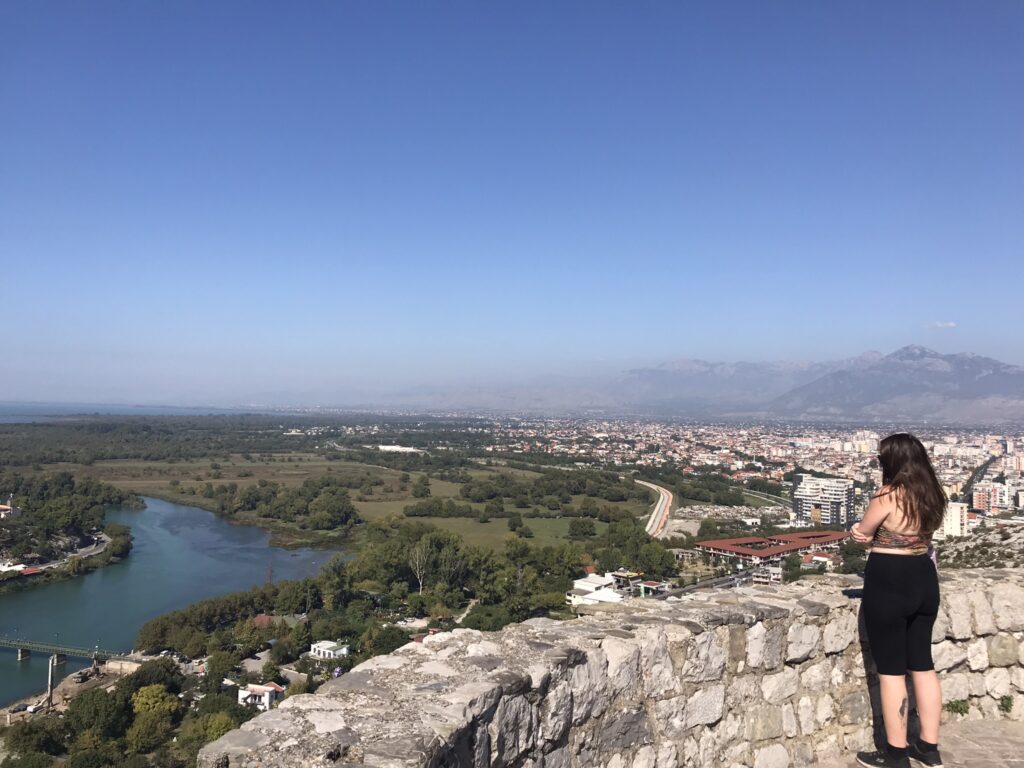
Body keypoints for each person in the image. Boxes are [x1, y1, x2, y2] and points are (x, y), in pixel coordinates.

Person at [850, 433, 946, 768]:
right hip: (924, 577)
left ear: (891, 462)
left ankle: (895, 753)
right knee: (923, 664)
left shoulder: (888, 495)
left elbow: (863, 531)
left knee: (891, 671)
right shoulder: (932, 494)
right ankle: (929, 747)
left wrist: (858, 533)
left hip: (889, 580)